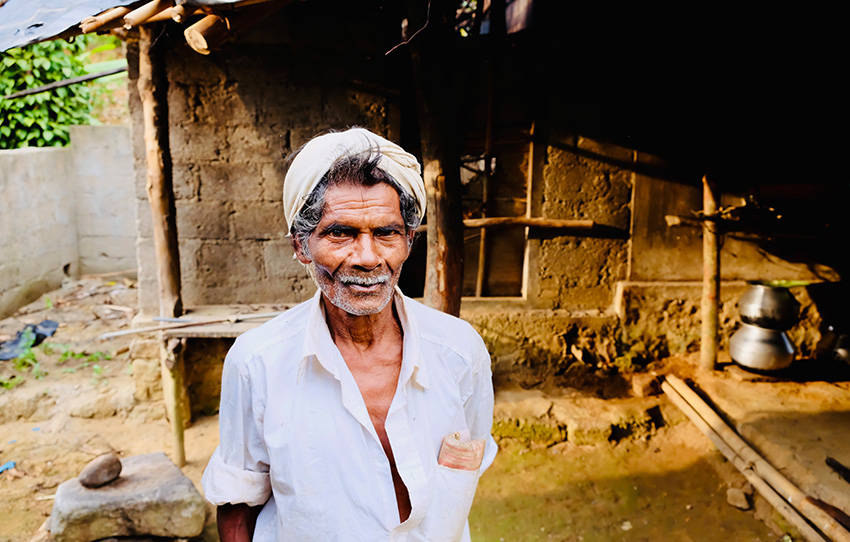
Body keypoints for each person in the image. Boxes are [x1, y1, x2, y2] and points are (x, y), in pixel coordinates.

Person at [202, 127, 497, 541]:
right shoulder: (257, 363)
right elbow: (238, 503)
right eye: (340, 233)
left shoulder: (460, 351)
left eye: (386, 233)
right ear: (301, 245)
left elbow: (466, 465)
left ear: (409, 241)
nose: (367, 258)